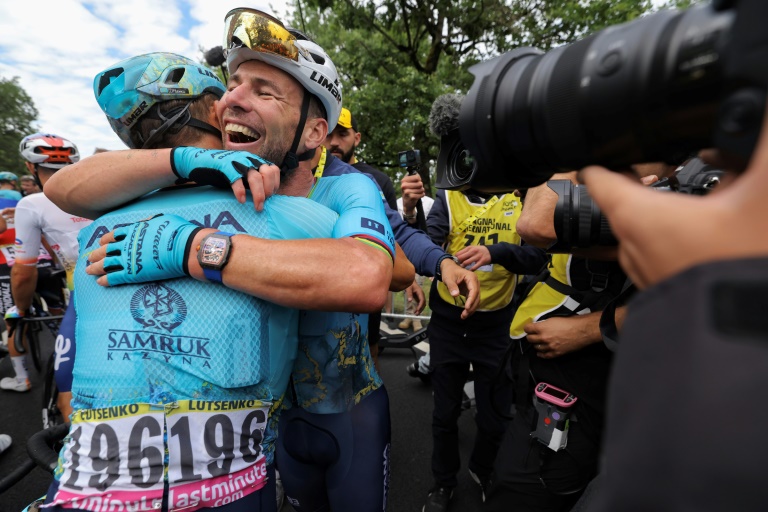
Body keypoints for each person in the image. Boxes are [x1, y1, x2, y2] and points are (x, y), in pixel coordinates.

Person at [42, 51, 342, 511]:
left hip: (84, 487)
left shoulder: (100, 225)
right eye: (225, 98)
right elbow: (377, 271)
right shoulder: (287, 215)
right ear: (210, 111)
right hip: (228, 491)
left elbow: (60, 187)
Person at [481, 172, 627, 512]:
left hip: (589, 379)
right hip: (547, 375)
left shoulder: (670, 191)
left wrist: (589, 328)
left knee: (528, 491)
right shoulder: (614, 182)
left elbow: (536, 224)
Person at [419, 179, 547, 512]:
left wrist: (496, 252)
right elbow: (428, 245)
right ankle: (443, 482)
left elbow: (537, 257)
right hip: (450, 323)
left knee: (496, 418)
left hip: (496, 326)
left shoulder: (523, 193)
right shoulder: (448, 195)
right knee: (445, 414)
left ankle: (482, 468)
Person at [0, 134, 89, 395]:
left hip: (81, 289)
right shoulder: (102, 191)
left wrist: (22, 308)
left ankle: (22, 378)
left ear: (31, 167)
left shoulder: (31, 203)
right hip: (112, 282)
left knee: (67, 390)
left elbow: (22, 273)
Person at [323, 106, 399, 366]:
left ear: (357, 138)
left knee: (369, 360)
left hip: (365, 301)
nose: (334, 142)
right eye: (329, 133)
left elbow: (395, 234)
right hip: (321, 298)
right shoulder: (306, 174)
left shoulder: (377, 180)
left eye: (342, 134)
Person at [397, 173, 435, 331]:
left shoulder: (430, 203)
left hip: (423, 248)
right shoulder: (398, 202)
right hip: (404, 249)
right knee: (408, 284)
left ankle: (416, 319)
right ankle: (409, 316)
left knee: (418, 283)